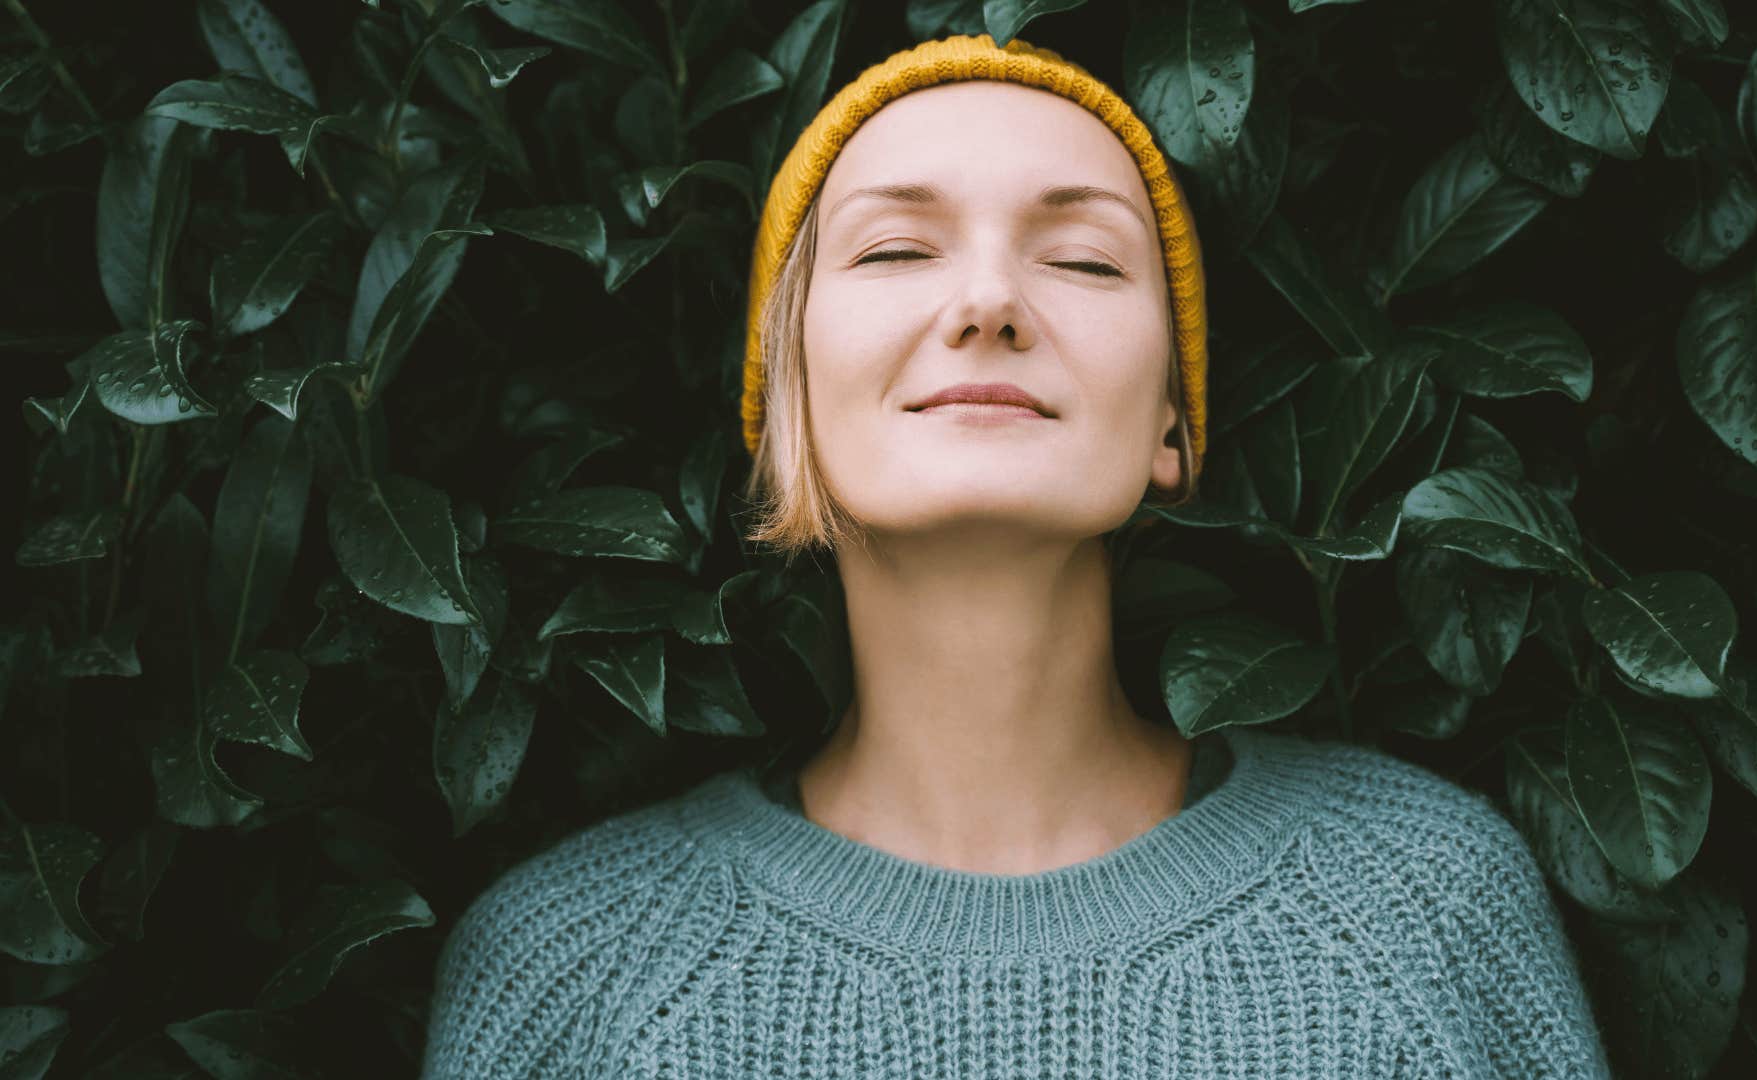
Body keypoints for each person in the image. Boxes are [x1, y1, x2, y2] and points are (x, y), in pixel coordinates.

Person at [419, 32, 1614, 1079]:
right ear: (787, 397)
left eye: (1084, 259)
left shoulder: (1426, 911)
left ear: (1171, 423)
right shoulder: (568, 978)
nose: (988, 301)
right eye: (896, 250)